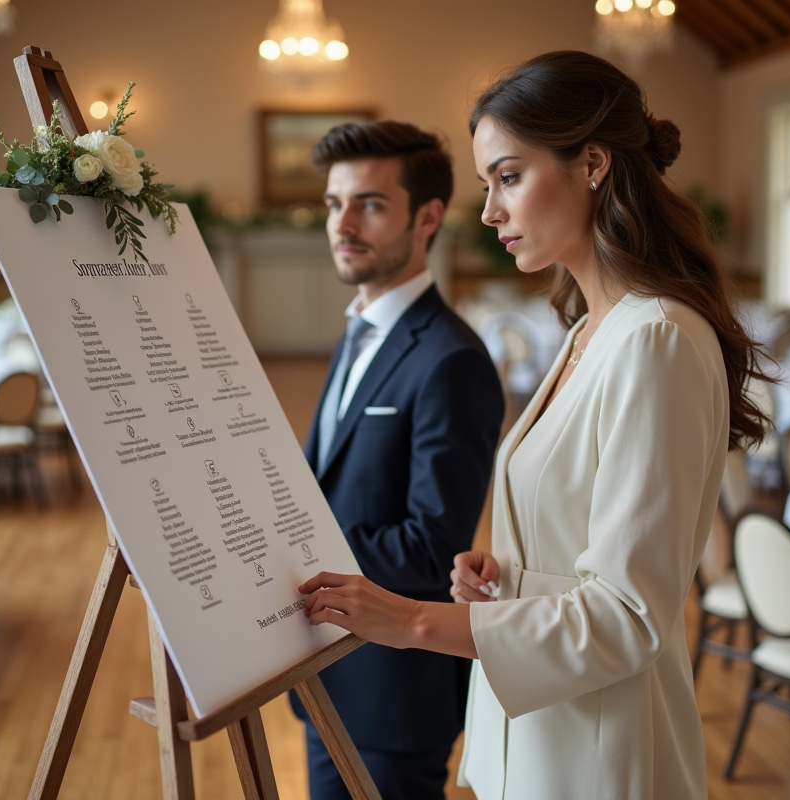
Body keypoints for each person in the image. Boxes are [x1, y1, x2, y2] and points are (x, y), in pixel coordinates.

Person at [297, 51, 772, 799]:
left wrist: (413, 621)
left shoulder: (657, 339)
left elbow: (627, 617)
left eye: (508, 177)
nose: (489, 212)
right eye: (488, 184)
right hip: (538, 729)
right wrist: (509, 577)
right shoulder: (590, 328)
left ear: (591, 164)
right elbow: (584, 555)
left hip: (603, 750)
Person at [290, 120, 505, 800]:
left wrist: (287, 550)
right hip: (329, 670)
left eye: (370, 204)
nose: (342, 223)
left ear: (427, 217)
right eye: (333, 203)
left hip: (395, 689)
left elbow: (431, 546)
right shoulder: (357, 333)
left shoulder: (453, 361)